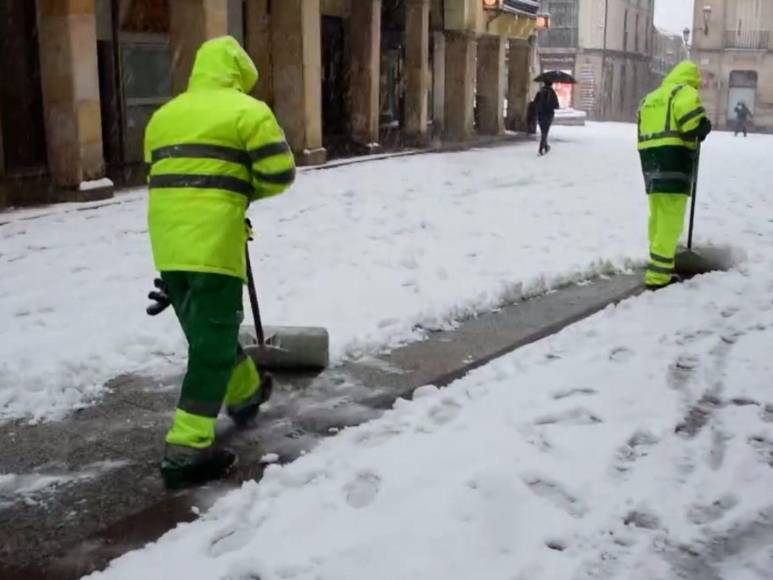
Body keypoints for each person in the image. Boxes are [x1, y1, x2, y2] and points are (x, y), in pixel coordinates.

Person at [144, 36, 296, 488]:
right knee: (210, 348)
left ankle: (246, 393)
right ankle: (186, 449)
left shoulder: (163, 116)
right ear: (238, 75)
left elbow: (166, 176)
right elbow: (279, 173)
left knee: (209, 331)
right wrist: (241, 190)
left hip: (169, 244)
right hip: (213, 245)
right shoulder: (248, 112)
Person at [637, 60, 711, 290]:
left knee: (658, 215)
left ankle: (657, 260)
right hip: (673, 159)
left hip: (650, 161)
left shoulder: (652, 96)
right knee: (671, 218)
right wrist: (704, 126)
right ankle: (659, 276)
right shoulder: (684, 91)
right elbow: (692, 125)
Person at [533, 81, 560, 155]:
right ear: (551, 84)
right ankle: (541, 148)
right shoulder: (552, 92)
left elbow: (535, 103)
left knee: (543, 131)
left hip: (540, 114)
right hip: (548, 114)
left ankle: (545, 146)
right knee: (545, 131)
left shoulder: (540, 92)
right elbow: (556, 105)